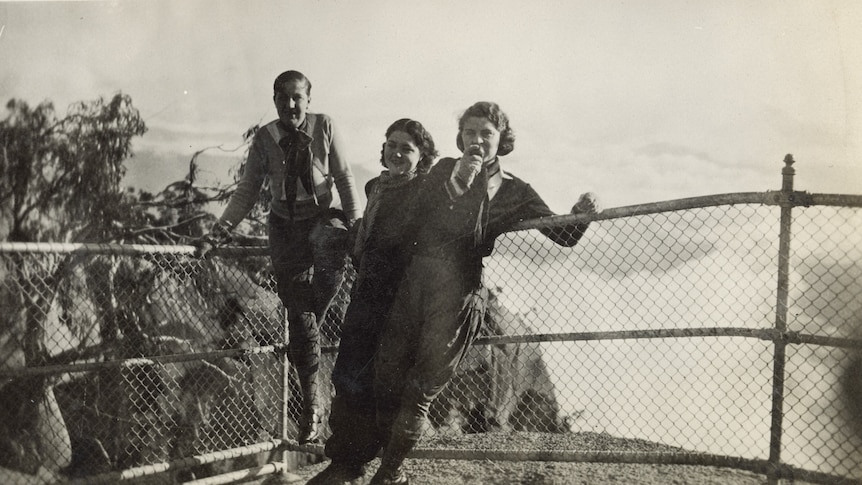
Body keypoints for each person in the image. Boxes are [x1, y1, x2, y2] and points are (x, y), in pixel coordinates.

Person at [369, 101, 601, 485]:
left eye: (485, 134)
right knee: (386, 378)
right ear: (460, 137)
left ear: (501, 140)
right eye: (469, 133)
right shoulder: (443, 169)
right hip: (414, 283)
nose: (476, 140)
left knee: (421, 388)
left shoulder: (514, 190)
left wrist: (583, 211)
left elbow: (564, 235)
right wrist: (462, 175)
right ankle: (385, 466)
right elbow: (414, 216)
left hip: (457, 293)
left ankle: (389, 473)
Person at [197, 70, 362, 444]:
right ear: (274, 101)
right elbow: (246, 192)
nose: (290, 104)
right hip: (284, 230)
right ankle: (311, 404)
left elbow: (345, 177)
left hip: (322, 220)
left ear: (309, 99)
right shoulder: (265, 138)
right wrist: (217, 234)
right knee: (301, 318)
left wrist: (356, 225)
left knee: (311, 303)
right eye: (282, 97)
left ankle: (305, 332)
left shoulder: (325, 126)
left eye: (297, 97)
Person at [308, 119, 437, 485]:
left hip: (400, 301)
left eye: (407, 148)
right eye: (391, 144)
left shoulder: (424, 191)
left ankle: (389, 470)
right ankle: (346, 464)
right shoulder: (375, 187)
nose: (396, 152)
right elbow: (368, 237)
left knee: (388, 382)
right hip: (364, 295)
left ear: (423, 156)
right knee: (349, 375)